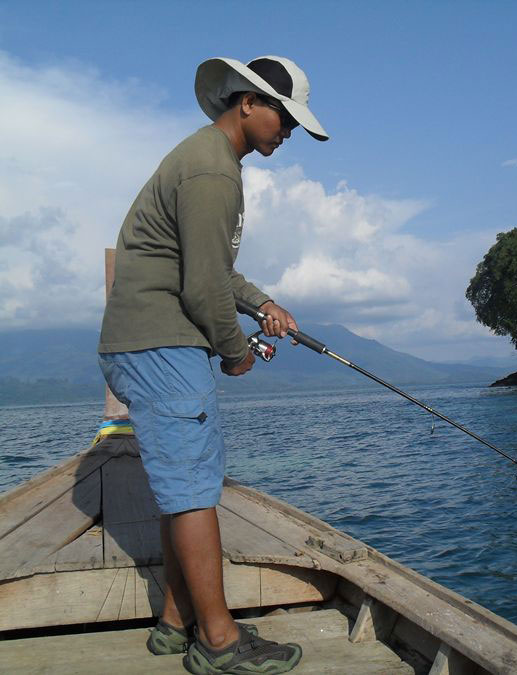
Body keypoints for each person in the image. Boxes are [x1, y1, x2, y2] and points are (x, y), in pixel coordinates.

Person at [98, 55, 328, 675]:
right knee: (194, 494)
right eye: (285, 118)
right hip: (161, 345)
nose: (288, 133)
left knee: (185, 491)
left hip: (149, 343)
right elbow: (202, 288)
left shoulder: (208, 160)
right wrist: (235, 353)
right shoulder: (212, 172)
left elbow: (216, 273)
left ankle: (177, 624)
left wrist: (262, 303)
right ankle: (221, 644)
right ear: (248, 103)